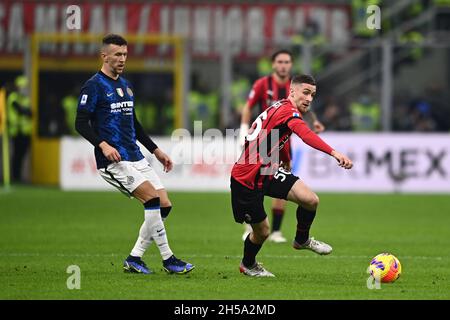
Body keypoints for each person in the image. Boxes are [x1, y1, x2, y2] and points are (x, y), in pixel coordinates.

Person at [75, 34, 194, 275]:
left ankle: (134, 257)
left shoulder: (126, 85)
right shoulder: (94, 85)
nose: (122, 59)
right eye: (117, 55)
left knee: (164, 205)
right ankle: (168, 259)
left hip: (136, 156)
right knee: (151, 199)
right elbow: (80, 122)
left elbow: (134, 123)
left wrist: (156, 150)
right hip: (113, 160)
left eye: (125, 55)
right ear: (104, 56)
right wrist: (103, 145)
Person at [231, 75, 353, 277]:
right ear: (292, 91)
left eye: (313, 95)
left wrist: (286, 160)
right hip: (247, 178)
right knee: (262, 232)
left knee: (310, 200)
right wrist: (334, 153)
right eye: (305, 93)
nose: (309, 99)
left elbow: (275, 137)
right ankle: (248, 264)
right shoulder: (288, 111)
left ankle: (302, 239)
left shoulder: (281, 107)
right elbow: (305, 135)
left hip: (267, 170)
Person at [239, 49, 325, 243]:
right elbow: (247, 107)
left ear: (291, 65)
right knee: (255, 182)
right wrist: (243, 131)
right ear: (273, 64)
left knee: (283, 179)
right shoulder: (263, 84)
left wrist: (315, 120)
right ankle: (252, 224)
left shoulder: (295, 87)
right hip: (261, 143)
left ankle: (276, 230)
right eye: (280, 61)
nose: (283, 65)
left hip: (283, 141)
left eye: (287, 62)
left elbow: (304, 107)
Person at [7, 75, 32, 183]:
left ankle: (18, 176)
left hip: (25, 132)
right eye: (23, 86)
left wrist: (26, 111)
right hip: (16, 131)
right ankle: (14, 177)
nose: (24, 89)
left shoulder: (25, 99)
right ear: (18, 86)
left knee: (22, 156)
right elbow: (21, 110)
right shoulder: (13, 97)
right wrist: (25, 111)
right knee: (16, 156)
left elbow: (30, 113)